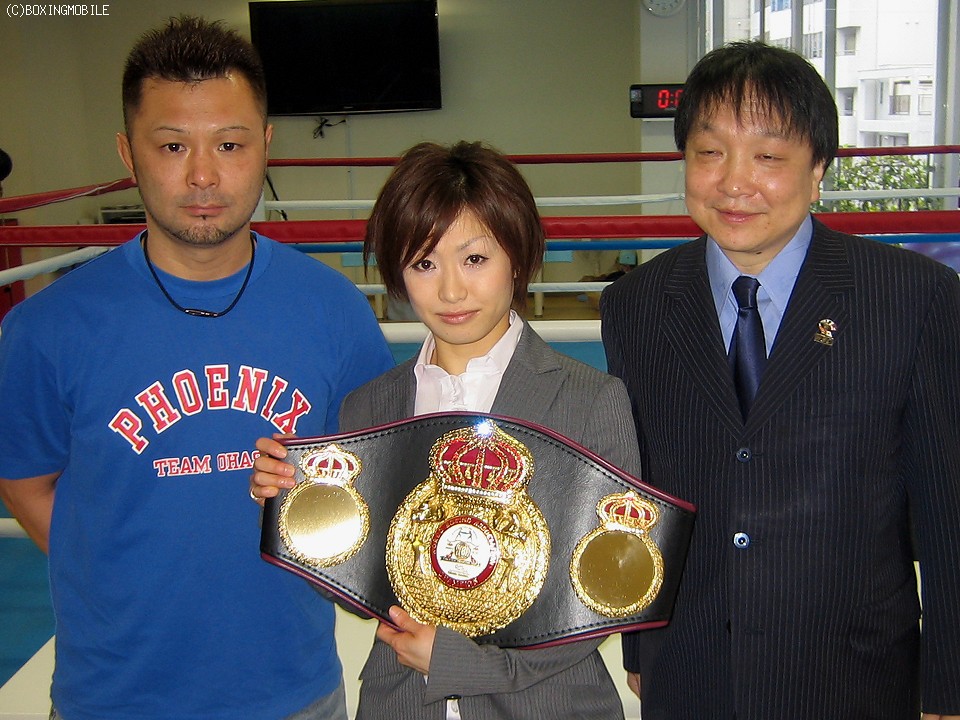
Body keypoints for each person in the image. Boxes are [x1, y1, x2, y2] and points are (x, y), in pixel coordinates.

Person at [0, 16, 393, 720]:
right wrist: (116, 575)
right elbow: (26, 482)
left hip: (292, 690)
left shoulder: (334, 310)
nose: (203, 175)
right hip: (114, 699)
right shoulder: (48, 327)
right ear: (128, 152)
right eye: (173, 145)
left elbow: (373, 475)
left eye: (230, 144)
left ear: (266, 145)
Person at [600, 40, 960, 720]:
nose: (734, 183)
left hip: (853, 677)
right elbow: (639, 494)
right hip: (692, 672)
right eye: (710, 152)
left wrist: (950, 682)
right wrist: (642, 647)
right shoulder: (636, 305)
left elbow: (949, 507)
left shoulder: (914, 299)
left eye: (768, 156)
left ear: (818, 168)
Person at [251, 140, 642, 720]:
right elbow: (364, 585)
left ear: (518, 257)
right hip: (400, 701)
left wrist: (466, 665)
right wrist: (293, 512)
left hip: (548, 704)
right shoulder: (370, 408)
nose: (451, 291)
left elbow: (607, 589)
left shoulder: (591, 400)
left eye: (475, 259)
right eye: (424, 264)